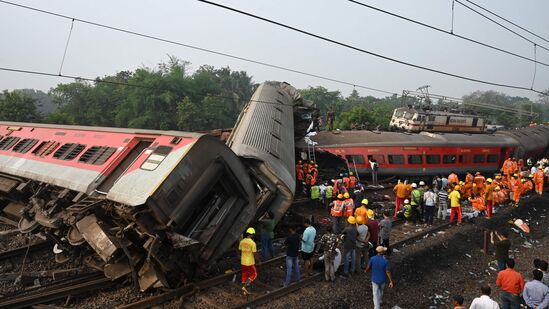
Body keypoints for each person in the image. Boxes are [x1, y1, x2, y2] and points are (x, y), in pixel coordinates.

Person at [239, 227, 260, 295]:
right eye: (253, 234)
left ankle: (243, 290)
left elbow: (239, 250)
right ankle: (245, 287)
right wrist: (258, 260)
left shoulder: (242, 242)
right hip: (250, 262)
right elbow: (255, 253)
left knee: (244, 274)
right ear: (251, 235)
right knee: (254, 274)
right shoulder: (252, 243)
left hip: (243, 261)